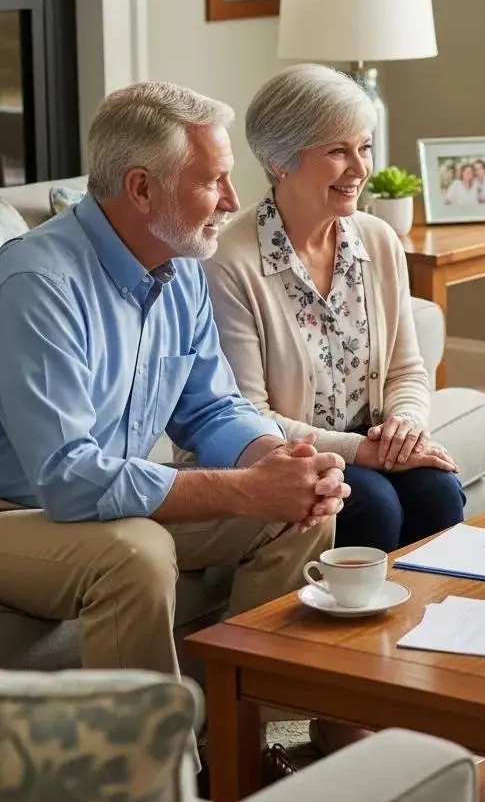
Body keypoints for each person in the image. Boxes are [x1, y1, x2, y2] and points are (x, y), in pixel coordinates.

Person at [0, 81, 348, 682]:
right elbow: (69, 478)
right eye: (212, 182)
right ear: (141, 188)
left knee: (301, 512)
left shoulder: (182, 266)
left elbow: (211, 407)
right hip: (20, 512)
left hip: (106, 501)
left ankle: (240, 734)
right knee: (137, 556)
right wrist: (246, 490)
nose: (232, 201)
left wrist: (282, 462)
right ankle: (155, 774)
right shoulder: (40, 284)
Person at [203, 63, 466, 560]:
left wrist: (404, 429)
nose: (360, 168)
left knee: (437, 489)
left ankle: (432, 627)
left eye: (363, 147)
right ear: (281, 161)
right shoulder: (229, 264)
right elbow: (248, 416)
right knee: (371, 505)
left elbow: (407, 368)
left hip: (372, 447)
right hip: (286, 460)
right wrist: (363, 453)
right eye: (337, 151)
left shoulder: (379, 241)